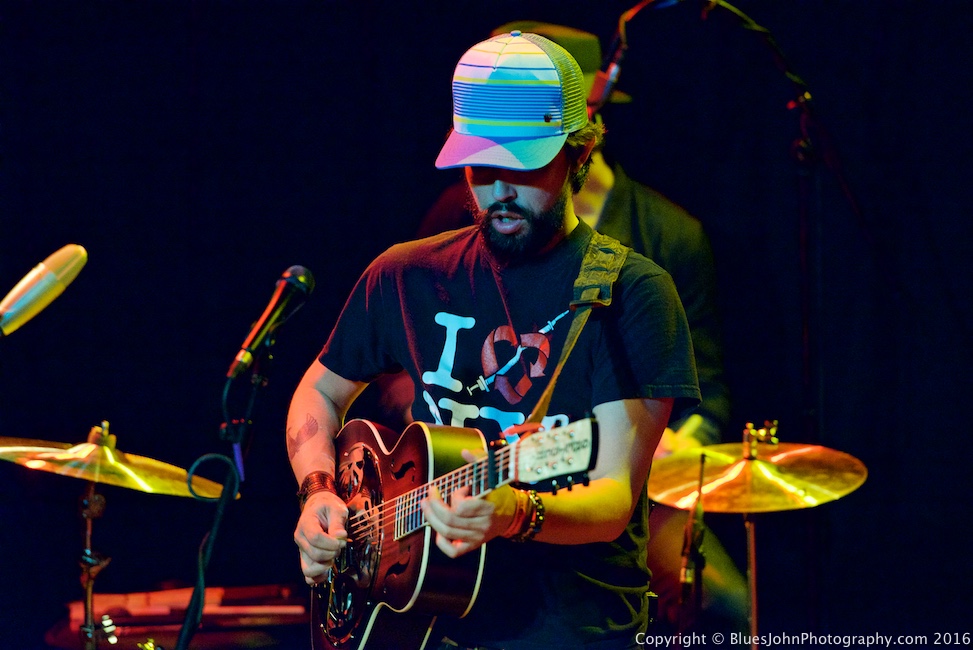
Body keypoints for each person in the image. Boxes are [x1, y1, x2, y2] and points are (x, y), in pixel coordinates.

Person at [287, 30, 700, 649]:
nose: (499, 191)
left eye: (524, 167)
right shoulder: (406, 273)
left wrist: (516, 513)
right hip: (420, 617)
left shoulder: (633, 294)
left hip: (567, 626)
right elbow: (318, 392)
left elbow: (613, 494)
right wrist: (318, 491)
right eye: (482, 168)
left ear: (580, 152)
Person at [414, 22, 748, 635]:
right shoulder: (459, 217)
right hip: (482, 482)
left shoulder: (670, 237)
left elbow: (712, 390)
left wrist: (671, 447)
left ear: (586, 112)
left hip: (632, 490)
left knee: (723, 609)